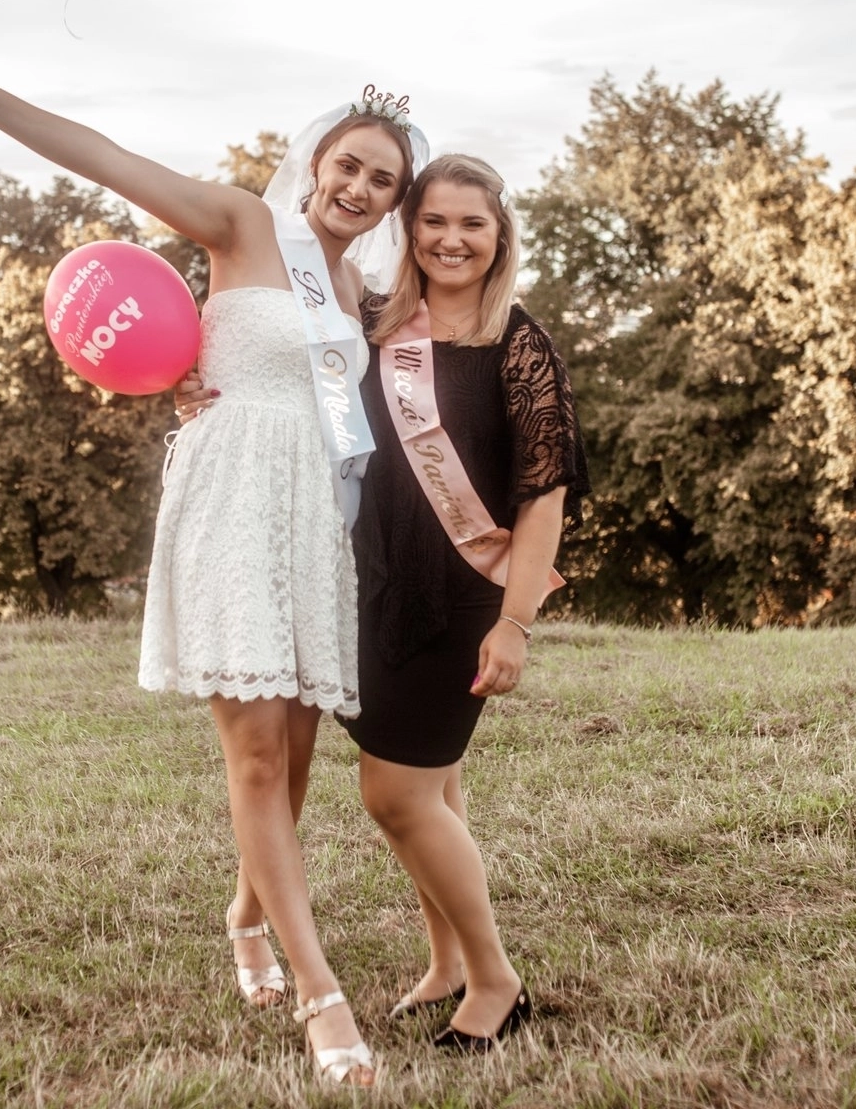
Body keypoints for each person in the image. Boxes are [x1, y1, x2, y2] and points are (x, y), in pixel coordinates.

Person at [0, 42, 427, 1086]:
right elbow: (106, 158)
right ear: (317, 159)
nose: (360, 188)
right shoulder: (241, 222)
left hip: (311, 512)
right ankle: (321, 997)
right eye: (349, 164)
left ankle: (245, 914)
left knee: (298, 755)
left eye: (383, 180)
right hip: (231, 495)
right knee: (258, 756)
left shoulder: (359, 287)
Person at [177, 152, 586, 1051]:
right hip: (373, 583)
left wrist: (516, 623)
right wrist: (195, 386)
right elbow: (280, 375)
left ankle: (496, 979)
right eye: (433, 221)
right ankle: (446, 963)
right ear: (410, 228)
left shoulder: (517, 342)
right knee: (435, 788)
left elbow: (544, 496)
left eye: (472, 224)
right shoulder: (371, 323)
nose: (451, 239)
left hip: (462, 595)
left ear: (500, 235)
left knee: (396, 794)